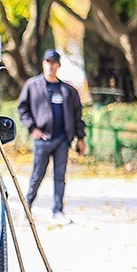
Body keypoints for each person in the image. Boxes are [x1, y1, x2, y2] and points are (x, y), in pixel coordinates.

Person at [18, 49, 86, 224]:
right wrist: (33, 128)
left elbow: (78, 115)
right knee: (37, 175)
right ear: (43, 63)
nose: (50, 65)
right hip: (42, 139)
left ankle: (58, 210)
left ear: (58, 65)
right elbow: (22, 109)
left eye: (53, 62)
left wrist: (80, 138)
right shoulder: (32, 85)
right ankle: (27, 207)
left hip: (62, 139)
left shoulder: (68, 90)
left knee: (60, 176)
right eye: (47, 62)